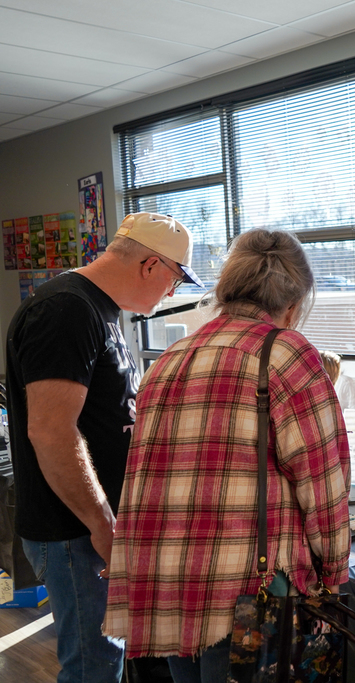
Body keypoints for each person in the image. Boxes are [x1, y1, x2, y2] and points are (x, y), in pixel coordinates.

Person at [103, 228, 350, 682]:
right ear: (293, 303)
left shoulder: (170, 359)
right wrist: (333, 577)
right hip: (249, 593)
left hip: (167, 585)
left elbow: (141, 480)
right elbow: (323, 484)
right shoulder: (288, 354)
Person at [6, 211, 200, 683]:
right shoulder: (66, 309)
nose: (170, 294)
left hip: (95, 527)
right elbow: (52, 432)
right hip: (74, 531)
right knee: (94, 666)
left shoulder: (98, 309)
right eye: (173, 279)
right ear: (150, 266)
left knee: (111, 659)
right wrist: (102, 523)